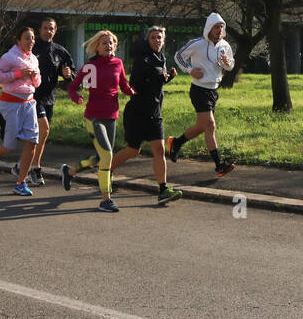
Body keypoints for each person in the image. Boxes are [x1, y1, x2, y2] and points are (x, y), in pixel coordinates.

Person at [109, 26, 183, 205]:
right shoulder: (142, 60)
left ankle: (163, 189)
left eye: (159, 37)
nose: (157, 40)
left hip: (155, 112)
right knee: (133, 150)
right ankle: (105, 172)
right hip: (138, 112)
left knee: (159, 150)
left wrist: (166, 78)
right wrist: (158, 79)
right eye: (153, 38)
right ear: (147, 40)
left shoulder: (161, 58)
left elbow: (156, 82)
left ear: (163, 40)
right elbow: (135, 85)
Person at [63, 30, 134, 212]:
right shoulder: (90, 66)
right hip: (93, 116)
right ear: (97, 46)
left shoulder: (118, 63)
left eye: (111, 43)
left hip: (112, 115)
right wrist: (76, 97)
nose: (108, 46)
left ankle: (70, 171)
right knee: (107, 156)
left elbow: (124, 85)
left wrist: (133, 92)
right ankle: (105, 200)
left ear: (115, 46)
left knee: (104, 157)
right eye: (104, 43)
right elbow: (73, 87)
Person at [166, 12, 236, 176]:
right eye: (216, 27)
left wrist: (227, 64)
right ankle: (219, 164)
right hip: (199, 90)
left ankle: (176, 142)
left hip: (214, 90)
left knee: (201, 126)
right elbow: (178, 55)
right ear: (209, 28)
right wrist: (190, 70)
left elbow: (231, 65)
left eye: (221, 27)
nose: (219, 30)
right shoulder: (197, 43)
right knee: (210, 125)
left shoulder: (225, 45)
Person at [0, 24, 42, 196]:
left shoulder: (34, 59)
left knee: (33, 142)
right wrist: (18, 75)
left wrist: (34, 77)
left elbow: (38, 83)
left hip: (29, 103)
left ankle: (21, 183)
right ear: (18, 40)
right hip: (10, 104)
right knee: (8, 146)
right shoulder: (10, 57)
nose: (31, 41)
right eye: (27, 38)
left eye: (33, 38)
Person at [18, 17, 74, 186]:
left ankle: (23, 166)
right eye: (45, 28)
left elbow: (72, 74)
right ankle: (35, 168)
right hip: (32, 97)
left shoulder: (60, 51)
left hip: (50, 98)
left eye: (51, 28)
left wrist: (68, 74)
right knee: (43, 129)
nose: (48, 31)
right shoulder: (31, 48)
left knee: (40, 136)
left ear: (55, 31)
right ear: (40, 29)